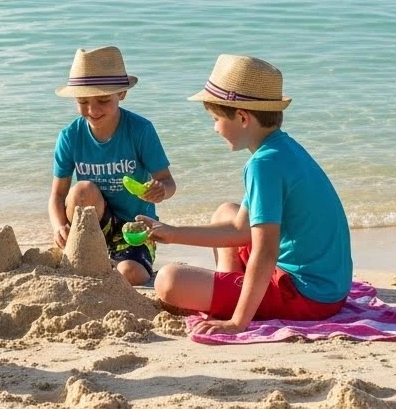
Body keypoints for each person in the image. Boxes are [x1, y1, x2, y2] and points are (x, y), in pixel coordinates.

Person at [140, 55, 352, 335]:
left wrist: (237, 322)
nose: (214, 128)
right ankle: (229, 286)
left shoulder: (263, 165)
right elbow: (240, 229)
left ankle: (231, 299)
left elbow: (265, 252)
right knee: (226, 211)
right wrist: (172, 232)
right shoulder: (282, 148)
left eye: (216, 119)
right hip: (328, 287)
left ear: (242, 117)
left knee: (169, 281)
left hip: (306, 295)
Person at [49, 46, 176, 285]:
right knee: (82, 190)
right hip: (94, 223)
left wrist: (161, 190)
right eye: (83, 101)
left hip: (136, 225)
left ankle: (109, 263)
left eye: (104, 100)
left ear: (122, 94)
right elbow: (57, 196)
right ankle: (89, 252)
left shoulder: (140, 130)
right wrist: (59, 226)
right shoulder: (70, 136)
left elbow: (168, 182)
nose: (93, 110)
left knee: (131, 274)